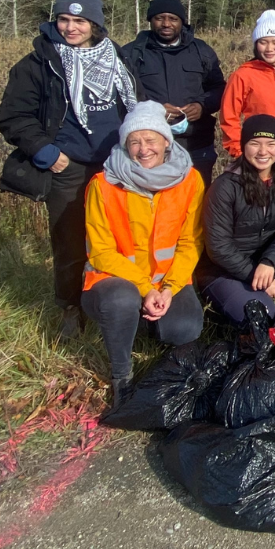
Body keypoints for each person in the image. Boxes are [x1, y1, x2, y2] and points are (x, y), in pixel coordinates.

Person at [0, 0, 140, 339]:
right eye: (64, 19)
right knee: (70, 241)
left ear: (95, 25)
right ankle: (71, 308)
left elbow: (137, 103)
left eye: (79, 20)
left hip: (116, 167)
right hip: (69, 167)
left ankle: (116, 304)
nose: (71, 27)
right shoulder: (40, 64)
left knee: (120, 239)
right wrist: (47, 153)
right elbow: (14, 117)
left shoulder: (116, 59)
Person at [79, 102, 205, 408]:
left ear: (166, 142)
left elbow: (191, 243)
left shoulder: (190, 180)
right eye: (134, 142)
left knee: (186, 328)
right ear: (125, 145)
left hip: (166, 282)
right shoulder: (104, 185)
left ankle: (148, 326)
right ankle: (122, 377)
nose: (143, 149)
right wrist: (144, 287)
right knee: (121, 300)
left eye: (151, 140)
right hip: (114, 282)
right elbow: (101, 251)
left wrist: (169, 288)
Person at [198, 114, 275, 323]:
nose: (263, 151)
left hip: (265, 260)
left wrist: (269, 261)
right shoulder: (225, 186)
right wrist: (256, 277)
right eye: (254, 144)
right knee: (261, 316)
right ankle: (234, 304)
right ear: (243, 145)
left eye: (271, 144)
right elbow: (218, 247)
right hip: (224, 271)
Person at [122, 0, 225, 187]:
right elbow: (124, 95)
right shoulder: (132, 53)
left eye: (173, 19)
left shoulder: (201, 51)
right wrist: (154, 109)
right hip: (150, 148)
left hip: (196, 142)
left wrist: (202, 106)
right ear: (151, 21)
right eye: (159, 18)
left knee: (198, 202)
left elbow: (219, 88)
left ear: (182, 22)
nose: (166, 24)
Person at [220, 9, 275, 181]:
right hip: (262, 156)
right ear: (256, 44)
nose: (270, 48)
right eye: (263, 42)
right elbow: (228, 116)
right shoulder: (244, 75)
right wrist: (239, 152)